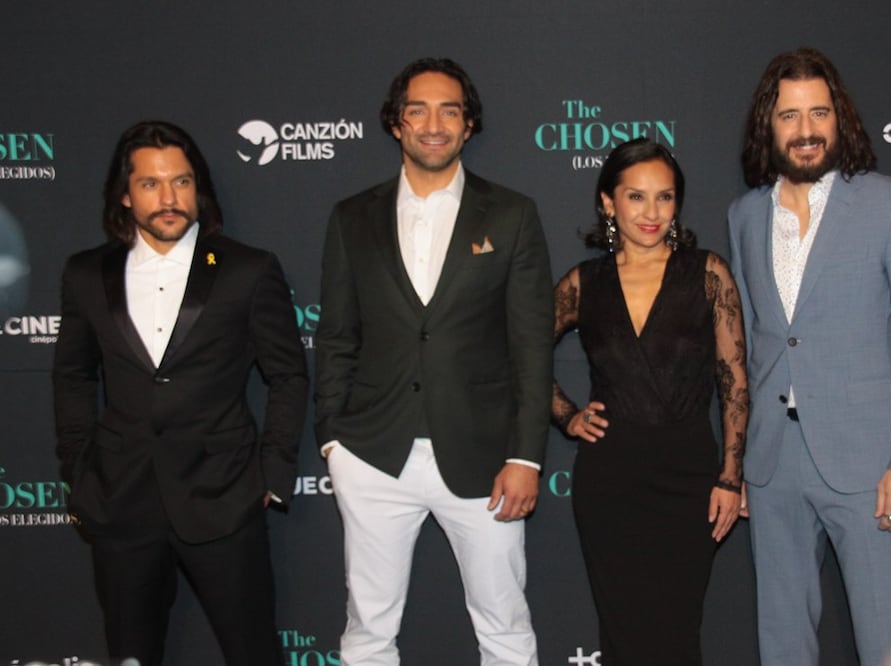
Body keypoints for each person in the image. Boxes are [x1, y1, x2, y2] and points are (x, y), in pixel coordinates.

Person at [314, 58, 553, 666]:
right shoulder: (351, 218)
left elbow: (531, 345)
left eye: (449, 109)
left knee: (504, 622)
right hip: (373, 454)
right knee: (368, 630)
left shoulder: (512, 214)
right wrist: (333, 444)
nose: (433, 123)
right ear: (396, 123)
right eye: (417, 109)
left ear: (468, 124)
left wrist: (525, 455)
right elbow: (337, 336)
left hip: (484, 461)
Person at [52, 120, 309, 666]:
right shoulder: (85, 274)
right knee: (131, 654)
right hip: (120, 500)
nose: (169, 198)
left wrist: (272, 472)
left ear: (199, 188)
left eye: (182, 182)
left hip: (224, 496)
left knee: (253, 654)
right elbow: (72, 377)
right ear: (125, 195)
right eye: (150, 184)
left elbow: (288, 374)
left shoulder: (246, 269)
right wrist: (78, 471)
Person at [727, 48, 891, 666]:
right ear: (767, 127)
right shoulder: (745, 216)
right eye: (789, 115)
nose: (806, 130)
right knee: (782, 640)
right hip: (773, 463)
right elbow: (752, 342)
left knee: (887, 641)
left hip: (871, 463)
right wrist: (742, 459)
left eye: (818, 112)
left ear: (840, 118)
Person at [551, 138, 748, 666]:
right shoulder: (583, 283)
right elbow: (519, 356)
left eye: (665, 197)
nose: (652, 212)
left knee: (678, 631)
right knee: (622, 633)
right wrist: (567, 415)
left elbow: (734, 377)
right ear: (608, 202)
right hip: (610, 479)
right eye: (636, 197)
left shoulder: (708, 274)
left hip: (689, 476)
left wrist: (731, 475)